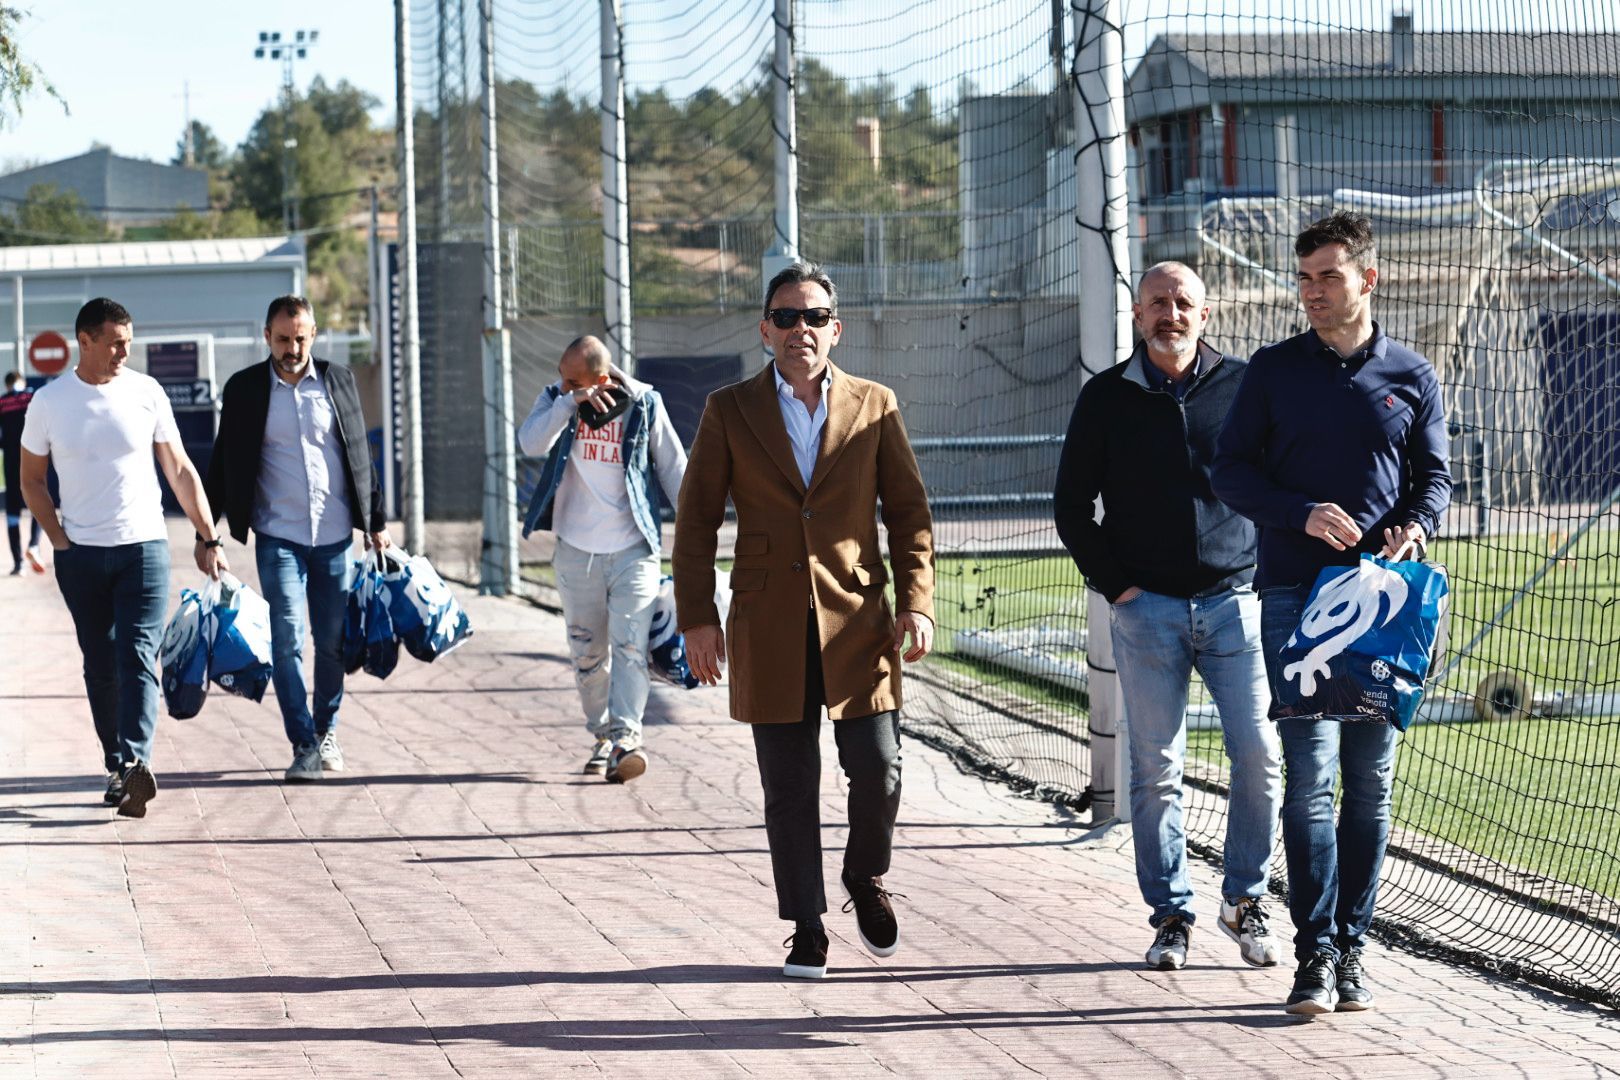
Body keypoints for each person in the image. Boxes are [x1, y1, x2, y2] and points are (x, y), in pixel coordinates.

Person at [1212, 212, 1452, 1015]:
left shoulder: (1412, 374)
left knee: (1369, 784)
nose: (1313, 291)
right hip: (1295, 597)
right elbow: (1231, 474)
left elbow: (1436, 478)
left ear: (1367, 280)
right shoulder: (1273, 371)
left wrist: (1417, 523)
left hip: (1385, 602)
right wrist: (1301, 512)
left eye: (1329, 277)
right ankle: (1313, 955)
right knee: (1309, 779)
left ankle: (1355, 948)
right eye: (1304, 277)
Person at [673, 261, 935, 981]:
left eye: (813, 317)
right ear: (765, 330)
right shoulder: (729, 410)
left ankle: (863, 876)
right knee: (789, 788)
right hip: (767, 624)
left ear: (835, 329)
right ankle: (807, 927)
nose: (800, 330)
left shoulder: (875, 404)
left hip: (859, 621)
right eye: (785, 318)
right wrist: (697, 618)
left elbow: (909, 515)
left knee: (878, 768)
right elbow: (695, 524)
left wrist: (915, 600)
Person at [1054, 261, 1283, 973]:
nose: (1170, 314)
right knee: (1155, 771)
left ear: (1205, 315)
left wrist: (1265, 577)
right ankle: (1172, 915)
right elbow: (1071, 506)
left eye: (1183, 302)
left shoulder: (1247, 388)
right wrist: (1118, 585)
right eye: (1157, 302)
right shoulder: (1105, 398)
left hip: (1234, 605)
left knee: (1261, 757)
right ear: (1137, 314)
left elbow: (1281, 488)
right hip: (1145, 611)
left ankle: (1244, 900)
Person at [19, 298, 227, 817]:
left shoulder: (146, 391)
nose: (124, 352)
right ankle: (117, 766)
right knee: (100, 662)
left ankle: (136, 764)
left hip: (144, 548)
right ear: (83, 342)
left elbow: (178, 468)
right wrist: (58, 539)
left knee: (137, 654)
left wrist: (208, 536)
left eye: (128, 342)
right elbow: (30, 479)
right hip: (81, 555)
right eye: (114, 342)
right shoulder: (49, 402)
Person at [204, 296, 390, 783]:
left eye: (301, 337)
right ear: (267, 336)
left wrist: (376, 520)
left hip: (333, 537)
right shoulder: (244, 389)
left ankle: (327, 731)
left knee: (330, 643)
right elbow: (223, 464)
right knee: (287, 642)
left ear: (314, 333)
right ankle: (303, 743)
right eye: (283, 338)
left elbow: (360, 456)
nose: (292, 347)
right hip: (278, 535)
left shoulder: (339, 380)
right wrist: (209, 534)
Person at [517, 334, 687, 783]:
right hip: (576, 550)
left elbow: (673, 467)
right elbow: (530, 443)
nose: (564, 385)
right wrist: (567, 403)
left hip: (634, 549)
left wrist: (696, 531)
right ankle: (602, 735)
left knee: (631, 646)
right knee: (588, 655)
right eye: (562, 377)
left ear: (603, 377)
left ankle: (627, 738)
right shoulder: (558, 399)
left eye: (575, 380)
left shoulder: (644, 402)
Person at [2, 370, 45, 575]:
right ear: (21, 381)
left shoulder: (2, 403)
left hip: (10, 465)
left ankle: (18, 563)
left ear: (7, 384)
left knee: (12, 514)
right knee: (39, 504)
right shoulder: (31, 397)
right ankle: (34, 545)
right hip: (33, 461)